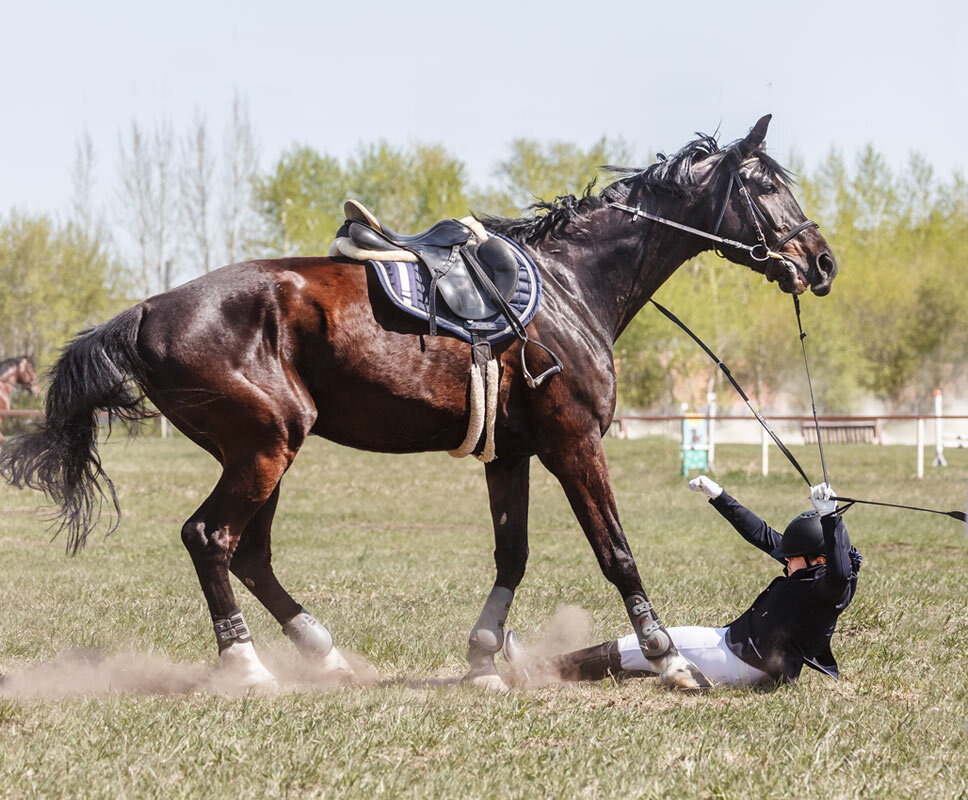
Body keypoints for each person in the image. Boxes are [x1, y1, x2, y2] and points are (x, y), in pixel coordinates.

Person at [505, 478, 862, 687]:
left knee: (645, 643)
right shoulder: (811, 569)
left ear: (819, 558)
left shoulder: (829, 587)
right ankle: (684, 677)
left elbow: (840, 574)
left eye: (793, 557)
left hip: (740, 658)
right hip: (738, 649)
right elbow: (764, 536)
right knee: (643, 660)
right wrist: (720, 497)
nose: (785, 560)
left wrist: (831, 520)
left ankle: (535, 672)